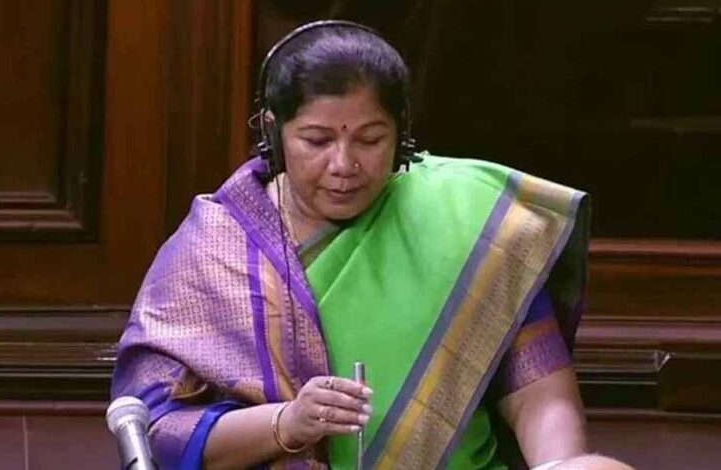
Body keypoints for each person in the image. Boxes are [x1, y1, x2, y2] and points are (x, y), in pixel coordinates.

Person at [111, 20, 629, 470]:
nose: (344, 165)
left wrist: (561, 464)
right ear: (274, 132)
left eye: (370, 139)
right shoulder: (213, 250)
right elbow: (157, 431)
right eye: (317, 140)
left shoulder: (465, 217)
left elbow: (538, 390)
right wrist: (286, 423)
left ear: (401, 132)